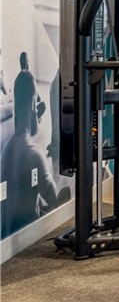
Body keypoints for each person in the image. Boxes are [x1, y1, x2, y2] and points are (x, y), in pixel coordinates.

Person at [0, 52, 66, 237]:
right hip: (29, 233)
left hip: (9, 229)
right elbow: (53, 202)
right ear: (32, 105)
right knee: (66, 195)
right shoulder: (33, 153)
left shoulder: (7, 148)